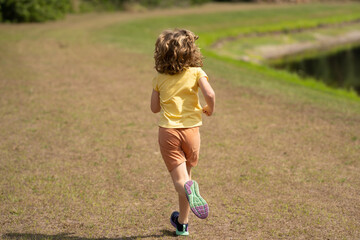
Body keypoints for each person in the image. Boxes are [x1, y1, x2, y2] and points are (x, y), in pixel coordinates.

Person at [150, 29, 216, 236]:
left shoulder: (159, 78)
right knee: (187, 177)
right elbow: (210, 93)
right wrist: (209, 109)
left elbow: (154, 108)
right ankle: (182, 224)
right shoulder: (197, 72)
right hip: (192, 132)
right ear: (191, 52)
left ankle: (188, 192)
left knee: (182, 182)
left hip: (169, 132)